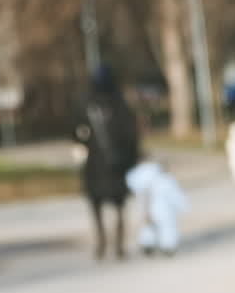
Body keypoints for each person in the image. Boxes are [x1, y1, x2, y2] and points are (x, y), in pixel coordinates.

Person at [72, 64, 140, 261]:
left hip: (104, 164)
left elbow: (129, 134)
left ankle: (109, 242)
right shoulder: (116, 103)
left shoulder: (92, 103)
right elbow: (131, 135)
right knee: (111, 203)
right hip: (108, 164)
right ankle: (110, 242)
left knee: (106, 203)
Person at [126, 157, 190, 257]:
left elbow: (136, 187)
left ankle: (148, 244)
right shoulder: (167, 180)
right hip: (165, 210)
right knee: (167, 227)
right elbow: (175, 195)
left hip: (150, 208)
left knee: (149, 227)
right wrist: (183, 206)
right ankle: (168, 246)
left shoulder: (144, 177)